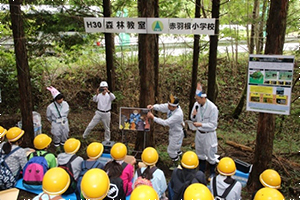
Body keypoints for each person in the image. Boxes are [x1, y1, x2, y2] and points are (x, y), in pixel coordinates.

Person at [147, 94, 184, 169]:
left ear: (175, 106)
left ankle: (177, 166)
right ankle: (182, 161)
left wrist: (153, 118)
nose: (168, 107)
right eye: (168, 105)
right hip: (172, 131)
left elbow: (165, 123)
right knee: (176, 149)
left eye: (170, 106)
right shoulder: (170, 107)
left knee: (171, 150)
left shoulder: (178, 114)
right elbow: (162, 107)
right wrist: (153, 106)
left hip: (177, 133)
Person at [190, 83, 219, 179]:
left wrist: (201, 124)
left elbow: (213, 124)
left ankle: (212, 173)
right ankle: (201, 172)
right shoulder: (196, 105)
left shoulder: (213, 108)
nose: (197, 101)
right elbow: (192, 118)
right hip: (199, 133)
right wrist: (194, 116)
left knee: (210, 154)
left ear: (203, 98)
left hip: (209, 135)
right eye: (196, 99)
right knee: (200, 153)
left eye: (198, 99)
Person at [46, 86, 70, 153]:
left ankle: (63, 145)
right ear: (55, 99)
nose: (61, 100)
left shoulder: (65, 104)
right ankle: (57, 147)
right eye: (59, 99)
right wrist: (54, 121)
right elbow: (48, 116)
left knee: (65, 133)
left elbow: (67, 112)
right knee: (56, 134)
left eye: (62, 98)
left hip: (64, 122)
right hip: (56, 123)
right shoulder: (50, 107)